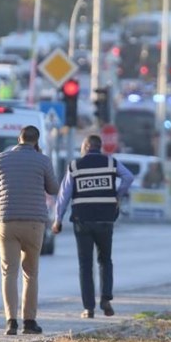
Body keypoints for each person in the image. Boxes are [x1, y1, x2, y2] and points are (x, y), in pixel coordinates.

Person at [0, 125, 58, 336]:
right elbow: (54, 189)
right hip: (34, 222)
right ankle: (29, 322)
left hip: (6, 221)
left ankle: (10, 322)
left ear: (19, 139)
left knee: (9, 272)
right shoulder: (43, 160)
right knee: (31, 273)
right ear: (37, 141)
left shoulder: (0, 159)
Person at [53, 135, 134, 319]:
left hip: (83, 220)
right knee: (105, 260)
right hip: (105, 219)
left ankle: (88, 308)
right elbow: (128, 177)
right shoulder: (110, 162)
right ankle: (105, 298)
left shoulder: (75, 166)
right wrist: (117, 195)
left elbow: (64, 194)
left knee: (85, 264)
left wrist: (58, 219)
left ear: (87, 146)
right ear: (100, 147)